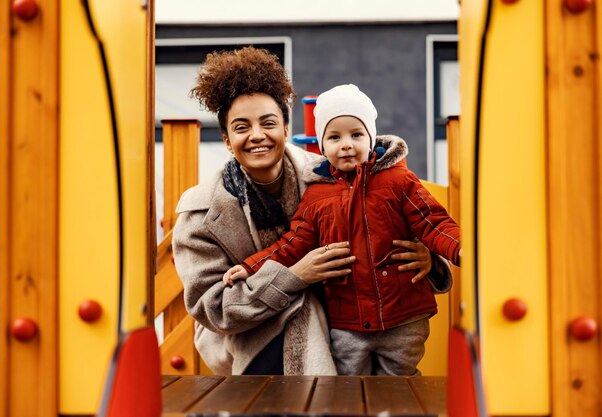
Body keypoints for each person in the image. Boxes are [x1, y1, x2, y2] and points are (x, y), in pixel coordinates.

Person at [172, 47, 451, 376]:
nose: (257, 135)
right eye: (241, 127)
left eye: (268, 122)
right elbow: (213, 307)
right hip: (249, 338)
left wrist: (429, 260)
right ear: (226, 139)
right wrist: (294, 276)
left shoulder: (330, 176)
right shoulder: (200, 213)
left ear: (286, 130)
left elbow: (396, 217)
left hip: (347, 322)